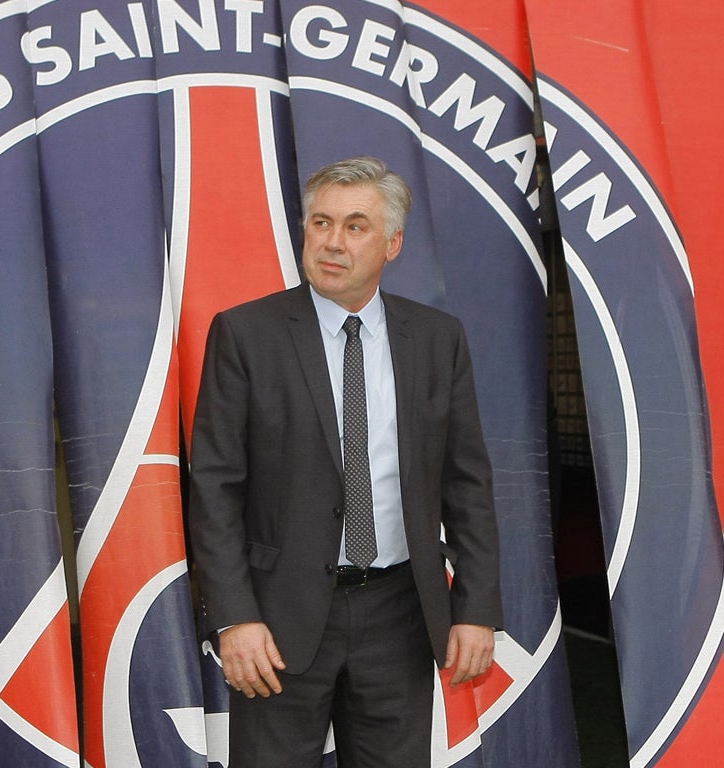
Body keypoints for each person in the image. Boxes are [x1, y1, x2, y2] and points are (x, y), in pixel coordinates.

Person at [188, 156, 503, 767]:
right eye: (321, 223)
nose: (332, 242)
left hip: (401, 614)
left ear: (393, 243)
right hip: (277, 622)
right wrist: (234, 619)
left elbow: (467, 483)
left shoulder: (439, 339)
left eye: (356, 226)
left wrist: (476, 609)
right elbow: (215, 490)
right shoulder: (246, 335)